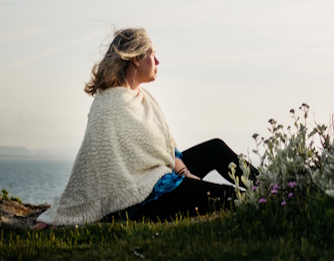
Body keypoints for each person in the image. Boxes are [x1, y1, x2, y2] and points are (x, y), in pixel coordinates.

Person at [34, 27, 255, 227]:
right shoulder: (108, 105)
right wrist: (64, 213)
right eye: (152, 54)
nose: (157, 61)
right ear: (137, 59)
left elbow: (167, 151)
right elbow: (91, 164)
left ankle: (272, 186)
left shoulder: (141, 97)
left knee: (215, 148)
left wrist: (184, 173)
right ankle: (267, 199)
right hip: (142, 199)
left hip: (162, 178)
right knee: (230, 196)